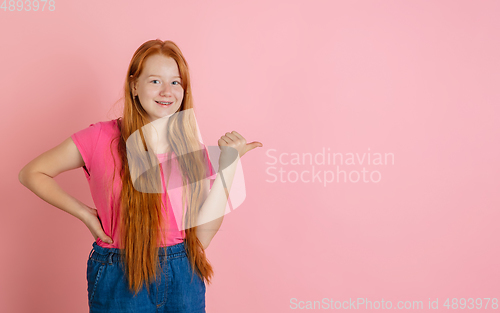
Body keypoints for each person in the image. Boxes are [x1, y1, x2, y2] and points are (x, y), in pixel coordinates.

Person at [18, 39, 263, 313]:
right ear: (134, 86)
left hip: (183, 274)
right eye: (155, 81)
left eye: (176, 82)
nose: (167, 91)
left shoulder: (190, 148)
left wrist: (229, 165)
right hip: (120, 274)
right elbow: (32, 173)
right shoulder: (99, 137)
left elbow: (202, 237)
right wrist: (85, 213)